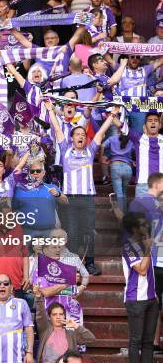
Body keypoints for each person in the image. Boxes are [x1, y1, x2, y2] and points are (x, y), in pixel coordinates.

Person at [49, 101, 121, 275]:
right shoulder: (65, 149)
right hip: (70, 199)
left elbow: (102, 131)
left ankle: (90, 263)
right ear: (72, 138)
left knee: (88, 232)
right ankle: (72, 265)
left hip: (87, 199)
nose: (80, 136)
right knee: (72, 233)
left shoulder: (90, 151)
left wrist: (112, 115)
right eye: (77, 134)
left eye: (83, 134)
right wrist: (50, 110)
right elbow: (58, 129)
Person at [121, 212, 158, 363]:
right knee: (136, 340)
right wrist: (149, 250)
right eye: (143, 224)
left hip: (151, 298)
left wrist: (154, 293)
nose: (146, 227)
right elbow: (142, 270)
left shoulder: (145, 243)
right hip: (135, 299)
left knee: (149, 342)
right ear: (135, 229)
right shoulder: (128, 246)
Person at [0, 273, 35, 363]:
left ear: (11, 288)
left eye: (6, 283)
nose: (2, 286)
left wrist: (29, 352)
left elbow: (29, 329)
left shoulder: (21, 303)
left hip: (17, 359)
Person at [33, 285, 95, 363]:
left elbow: (90, 339)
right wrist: (38, 297)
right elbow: (40, 314)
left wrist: (76, 326)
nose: (58, 317)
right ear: (49, 317)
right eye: (54, 314)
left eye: (61, 314)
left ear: (64, 315)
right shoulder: (45, 329)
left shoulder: (71, 332)